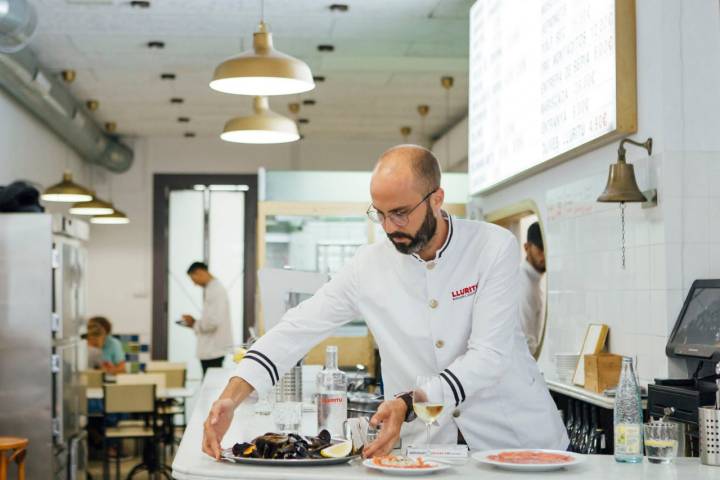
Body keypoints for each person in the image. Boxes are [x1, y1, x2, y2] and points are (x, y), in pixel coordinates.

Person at [201, 145, 568, 459]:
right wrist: (232, 397)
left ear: (437, 199)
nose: (390, 227)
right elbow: (296, 328)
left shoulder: (491, 246)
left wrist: (410, 401)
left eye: (401, 213)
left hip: (515, 438)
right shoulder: (368, 266)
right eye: (380, 213)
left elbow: (490, 354)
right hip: (427, 447)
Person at [181, 262, 233, 376]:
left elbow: (213, 322)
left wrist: (194, 323)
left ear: (199, 272)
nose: (194, 284)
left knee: (210, 387)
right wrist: (195, 323)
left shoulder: (215, 290)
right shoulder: (212, 288)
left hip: (212, 350)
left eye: (193, 279)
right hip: (212, 349)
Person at [518, 222, 546, 358]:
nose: (544, 254)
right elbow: (524, 338)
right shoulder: (521, 282)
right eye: (540, 248)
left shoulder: (534, 280)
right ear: (526, 247)